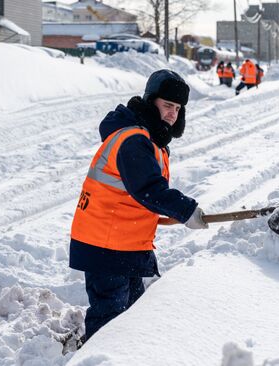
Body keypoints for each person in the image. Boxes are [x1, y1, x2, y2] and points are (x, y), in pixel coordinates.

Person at [69, 69, 208, 342]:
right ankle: (93, 357)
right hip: (106, 246)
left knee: (131, 316)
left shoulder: (149, 141)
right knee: (110, 322)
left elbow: (134, 196)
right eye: (167, 105)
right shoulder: (133, 140)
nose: (172, 113)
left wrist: (166, 214)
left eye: (178, 108)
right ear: (150, 101)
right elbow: (148, 189)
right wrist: (186, 210)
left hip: (126, 244)